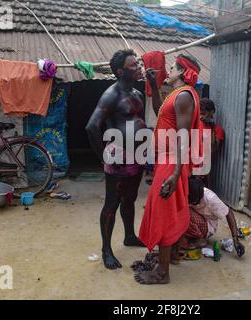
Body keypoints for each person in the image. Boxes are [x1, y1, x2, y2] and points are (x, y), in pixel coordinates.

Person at [135, 54, 203, 285]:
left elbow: (184, 137)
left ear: (183, 72)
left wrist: (175, 174)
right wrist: (153, 85)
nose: (169, 70)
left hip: (173, 162)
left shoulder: (184, 96)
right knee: (168, 209)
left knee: (163, 211)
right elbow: (160, 112)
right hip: (167, 160)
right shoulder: (175, 95)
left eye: (173, 67)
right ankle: (172, 255)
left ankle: (162, 273)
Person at [85, 49, 146, 270]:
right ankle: (106, 250)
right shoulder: (112, 94)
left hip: (137, 156)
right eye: (133, 65)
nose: (138, 67)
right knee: (112, 203)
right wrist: (104, 158)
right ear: (121, 71)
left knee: (130, 199)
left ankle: (129, 235)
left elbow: (139, 123)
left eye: (137, 63)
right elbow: (92, 126)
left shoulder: (138, 94)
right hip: (118, 157)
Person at [181, 177, 245, 257]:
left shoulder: (211, 198)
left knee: (185, 214)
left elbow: (229, 213)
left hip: (207, 226)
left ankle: (200, 239)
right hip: (196, 219)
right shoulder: (189, 191)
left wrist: (235, 239)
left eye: (194, 201)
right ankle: (190, 238)